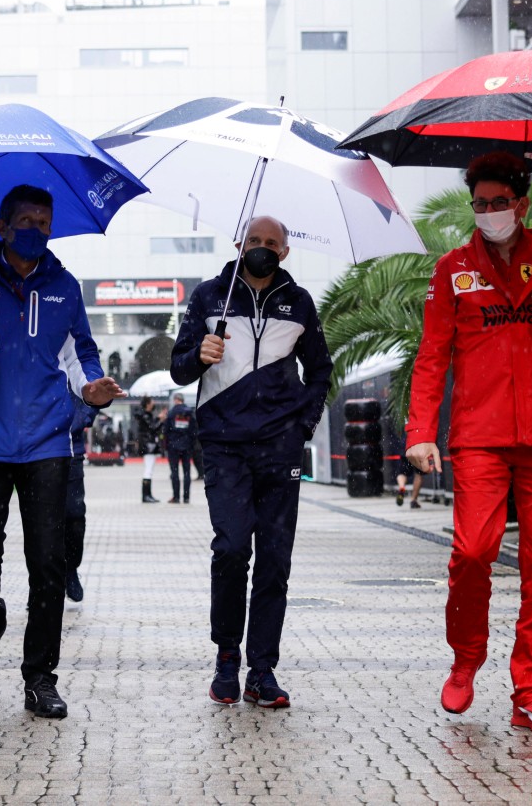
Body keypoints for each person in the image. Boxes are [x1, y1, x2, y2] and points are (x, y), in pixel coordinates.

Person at [405, 152, 532, 736]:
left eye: (499, 203)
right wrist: (420, 433)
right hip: (480, 438)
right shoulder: (452, 269)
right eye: (480, 204)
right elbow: (433, 355)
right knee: (472, 551)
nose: (489, 213)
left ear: (522, 202)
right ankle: (466, 659)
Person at [0, 184, 124, 720]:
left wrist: (94, 387)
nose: (37, 229)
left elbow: (82, 354)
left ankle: (40, 676)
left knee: (48, 565)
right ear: (4, 226)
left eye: (45, 221)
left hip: (47, 443)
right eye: (27, 221)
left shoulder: (64, 287)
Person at [171, 215, 333, 709]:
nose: (262, 249)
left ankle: (262, 670)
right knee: (232, 548)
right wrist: (200, 355)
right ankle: (226, 657)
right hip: (223, 445)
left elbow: (321, 370)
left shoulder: (299, 302)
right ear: (239, 244)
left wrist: (301, 427)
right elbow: (178, 370)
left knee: (275, 561)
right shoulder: (207, 297)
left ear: (284, 252)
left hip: (280, 449)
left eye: (272, 243)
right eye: (254, 241)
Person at [64, 400, 96, 602]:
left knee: (75, 516)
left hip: (72, 450)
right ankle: (41, 582)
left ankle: (71, 568)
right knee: (41, 519)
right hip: (37, 450)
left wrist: (77, 419)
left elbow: (92, 388)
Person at [163, 392, 195, 503]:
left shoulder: (171, 413)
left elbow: (165, 430)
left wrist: (166, 445)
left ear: (176, 400)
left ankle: (176, 497)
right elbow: (194, 430)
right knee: (187, 472)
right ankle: (186, 497)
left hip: (173, 447)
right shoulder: (190, 413)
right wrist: (191, 444)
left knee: (174, 472)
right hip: (186, 446)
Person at [134, 396, 164, 503]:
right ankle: (146, 496)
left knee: (149, 470)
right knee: (148, 470)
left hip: (148, 445)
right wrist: (160, 420)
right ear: (148, 404)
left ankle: (148, 495)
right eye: (152, 401)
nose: (154, 402)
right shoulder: (145, 416)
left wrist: (158, 419)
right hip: (148, 446)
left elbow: (151, 426)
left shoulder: (145, 416)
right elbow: (153, 428)